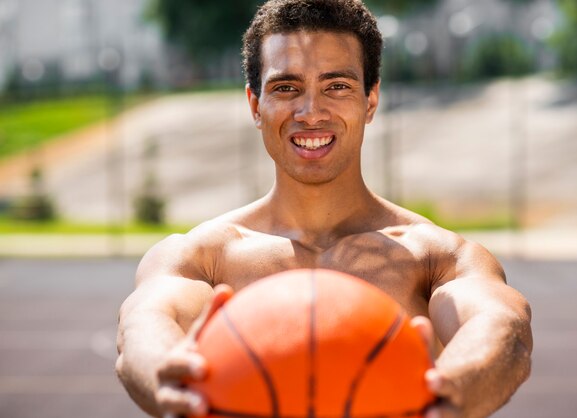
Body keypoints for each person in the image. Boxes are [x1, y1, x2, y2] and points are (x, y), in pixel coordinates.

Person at [115, 1, 533, 417]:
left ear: (371, 100)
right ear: (255, 105)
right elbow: (144, 321)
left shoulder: (434, 257)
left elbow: (502, 323)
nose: (311, 112)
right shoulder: (206, 256)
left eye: (337, 86)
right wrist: (163, 370)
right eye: (286, 87)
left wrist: (459, 383)